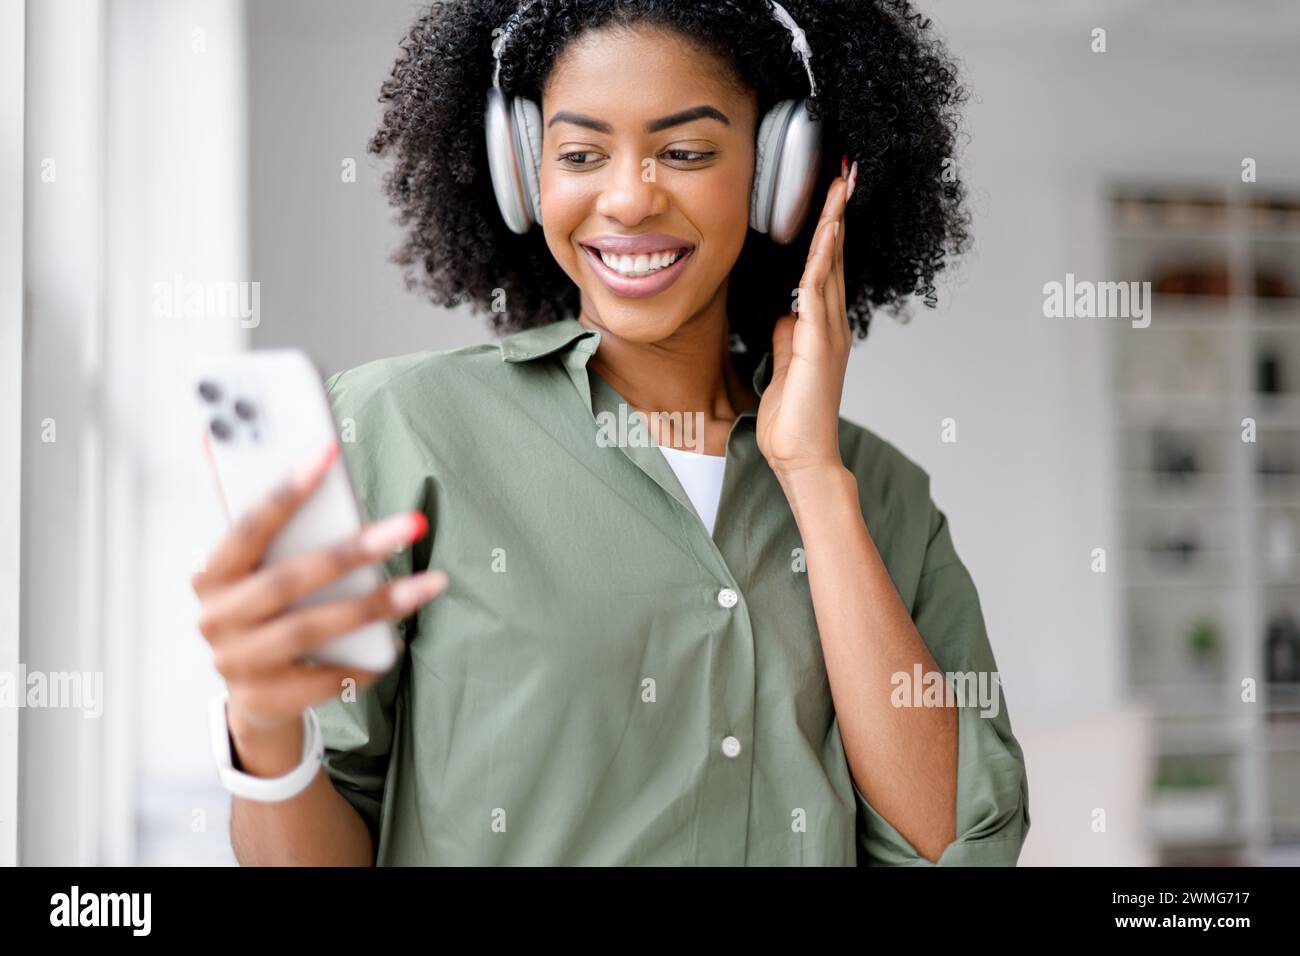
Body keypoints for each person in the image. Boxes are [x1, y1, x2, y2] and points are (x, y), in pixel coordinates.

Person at [191, 0, 1030, 866]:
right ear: (526, 176)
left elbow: (953, 843)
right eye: (581, 154)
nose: (628, 197)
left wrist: (812, 476)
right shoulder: (406, 430)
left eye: (687, 152)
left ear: (779, 174)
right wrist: (263, 730)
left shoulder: (883, 495)